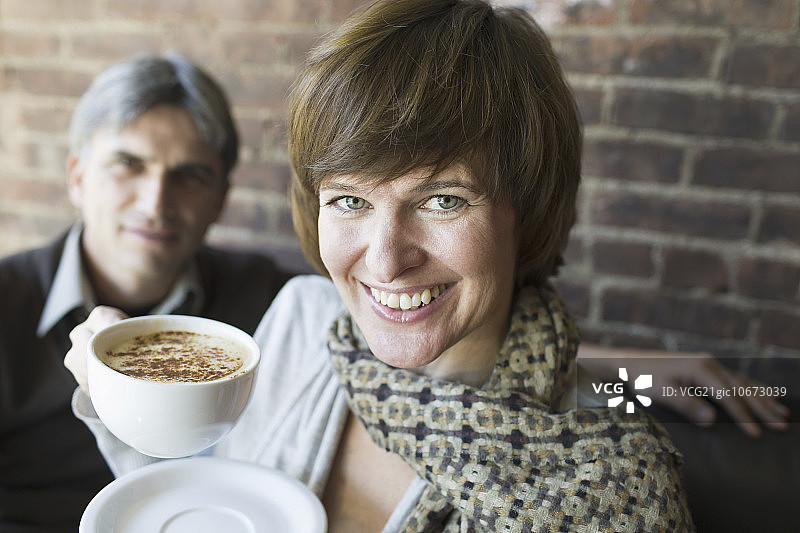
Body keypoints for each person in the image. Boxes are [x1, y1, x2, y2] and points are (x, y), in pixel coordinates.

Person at [67, 1, 696, 530]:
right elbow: (201, 504)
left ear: (527, 210)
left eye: (443, 199)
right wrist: (121, 400)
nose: (387, 260)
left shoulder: (611, 479)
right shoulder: (298, 320)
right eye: (349, 199)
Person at [0, 54, 292, 532]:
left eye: (190, 175)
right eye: (127, 164)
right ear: (77, 177)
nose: (156, 203)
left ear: (220, 198)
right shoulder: (7, 302)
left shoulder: (266, 302)